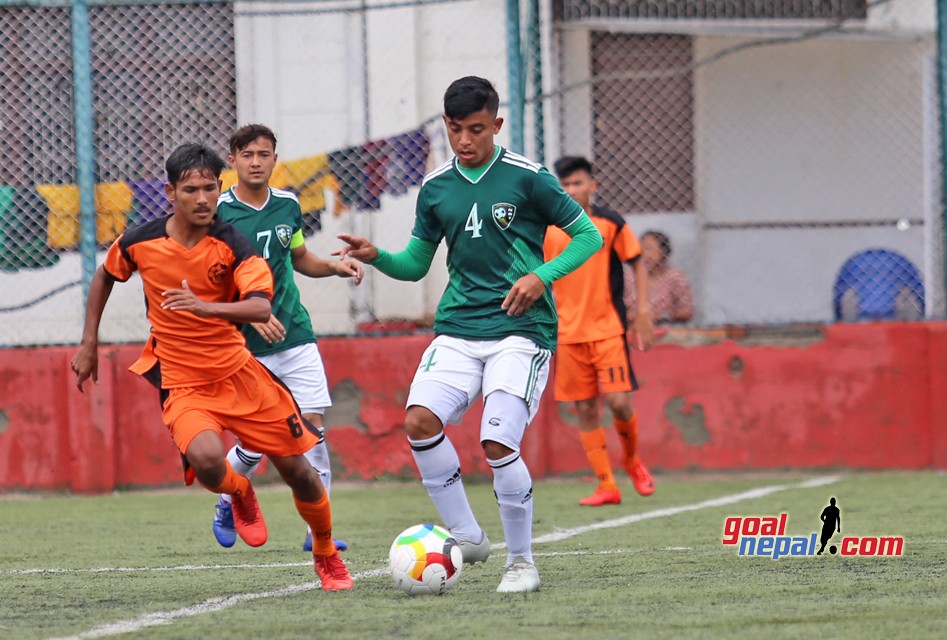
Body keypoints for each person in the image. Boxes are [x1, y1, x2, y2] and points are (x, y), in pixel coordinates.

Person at [335, 76, 601, 593]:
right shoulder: (436, 188)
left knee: (498, 441)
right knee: (417, 421)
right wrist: (378, 257)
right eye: (455, 129)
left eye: (476, 129)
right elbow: (415, 264)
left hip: (521, 330)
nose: (464, 140)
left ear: (496, 125)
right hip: (459, 328)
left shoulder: (529, 178)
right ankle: (466, 534)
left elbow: (586, 236)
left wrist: (539, 276)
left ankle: (521, 563)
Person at [70, 143, 353, 591]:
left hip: (240, 375)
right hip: (184, 381)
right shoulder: (141, 241)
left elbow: (260, 309)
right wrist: (89, 343)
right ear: (170, 192)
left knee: (300, 471)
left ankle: (324, 551)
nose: (203, 199)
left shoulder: (232, 244)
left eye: (210, 189)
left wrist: (203, 307)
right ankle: (239, 490)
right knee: (205, 461)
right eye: (191, 190)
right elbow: (105, 274)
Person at [213, 124, 362, 553]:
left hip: (295, 335)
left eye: (264, 154)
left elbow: (298, 258)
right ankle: (227, 500)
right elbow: (214, 281)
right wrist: (253, 316)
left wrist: (334, 267)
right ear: (233, 161)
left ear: (275, 159)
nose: (256, 162)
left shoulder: (288, 205)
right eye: (247, 154)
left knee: (313, 429)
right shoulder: (218, 213)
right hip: (245, 345)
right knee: (257, 442)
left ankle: (321, 532)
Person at [543, 156, 656, 507]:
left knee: (619, 402)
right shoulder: (547, 229)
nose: (571, 190)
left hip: (608, 329)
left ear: (593, 185)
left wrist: (642, 311)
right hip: (568, 334)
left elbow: (636, 261)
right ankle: (607, 484)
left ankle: (632, 459)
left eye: (577, 183)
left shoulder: (610, 223)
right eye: (564, 186)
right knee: (587, 410)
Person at [638, 230, 693, 324]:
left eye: (649, 248)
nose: (644, 254)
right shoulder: (630, 277)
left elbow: (687, 311)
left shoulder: (675, 277)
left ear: (664, 252)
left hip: (666, 329)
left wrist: (663, 316)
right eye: (641, 249)